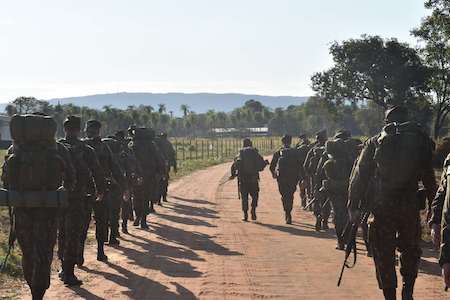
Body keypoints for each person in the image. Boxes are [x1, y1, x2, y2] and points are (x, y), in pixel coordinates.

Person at [348, 106, 437, 300]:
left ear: (386, 121)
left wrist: (353, 206)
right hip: (410, 205)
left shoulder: (375, 141)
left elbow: (360, 175)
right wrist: (433, 208)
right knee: (410, 249)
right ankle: (408, 291)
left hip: (382, 207)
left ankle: (390, 296)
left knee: (383, 253)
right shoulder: (419, 141)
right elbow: (429, 177)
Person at [2, 114, 75, 300]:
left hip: (22, 211)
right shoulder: (58, 149)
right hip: (48, 212)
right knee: (44, 253)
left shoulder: (15, 149)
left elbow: (5, 179)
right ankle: (38, 294)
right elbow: (71, 179)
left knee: (27, 253)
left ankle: (31, 285)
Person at [58, 116, 105, 285]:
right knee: (74, 234)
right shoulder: (86, 149)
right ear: (79, 130)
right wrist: (100, 190)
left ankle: (63, 266)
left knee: (61, 233)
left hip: (57, 198)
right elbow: (97, 172)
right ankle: (68, 273)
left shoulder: (56, 147)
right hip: (78, 199)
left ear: (64, 128)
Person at [83, 120, 126, 260]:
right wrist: (123, 185)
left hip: (83, 190)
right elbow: (115, 168)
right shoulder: (103, 147)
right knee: (101, 220)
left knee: (81, 223)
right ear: (98, 131)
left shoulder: (81, 146)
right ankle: (100, 251)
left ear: (86, 130)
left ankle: (79, 254)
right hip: (101, 189)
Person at [128, 127, 165, 228]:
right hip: (149, 176)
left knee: (136, 196)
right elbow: (160, 159)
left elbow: (128, 160)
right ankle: (143, 220)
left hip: (135, 176)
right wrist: (160, 172)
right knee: (146, 198)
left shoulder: (132, 145)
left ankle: (138, 216)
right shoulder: (152, 145)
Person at [321, 138, 353, 250]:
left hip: (336, 194)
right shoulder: (351, 161)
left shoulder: (329, 163)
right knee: (348, 216)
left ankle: (341, 242)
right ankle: (347, 240)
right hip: (349, 192)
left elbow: (327, 178)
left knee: (338, 217)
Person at [230, 138, 268, 221]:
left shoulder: (240, 153)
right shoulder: (255, 153)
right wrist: (265, 163)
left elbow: (234, 165)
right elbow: (261, 166)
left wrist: (233, 175)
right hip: (253, 179)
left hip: (243, 180)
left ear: (243, 144)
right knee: (255, 196)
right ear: (251, 144)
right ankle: (253, 209)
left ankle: (245, 214)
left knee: (244, 197)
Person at [270, 135, 302, 224]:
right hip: (293, 177)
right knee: (290, 195)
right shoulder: (295, 152)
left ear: (282, 142)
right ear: (290, 142)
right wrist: (301, 177)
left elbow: (272, 166)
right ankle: (289, 212)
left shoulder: (278, 152)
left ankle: (287, 213)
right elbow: (300, 165)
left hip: (282, 178)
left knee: (284, 196)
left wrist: (274, 173)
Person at [155, 132, 177, 204]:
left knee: (158, 182)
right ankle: (164, 197)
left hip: (157, 166)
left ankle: (158, 199)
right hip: (166, 165)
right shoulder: (168, 144)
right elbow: (173, 156)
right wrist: (174, 166)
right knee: (164, 181)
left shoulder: (156, 143)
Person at [296, 134, 311, 209]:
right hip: (308, 169)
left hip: (302, 169)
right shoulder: (310, 145)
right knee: (309, 187)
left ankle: (304, 203)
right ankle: (309, 203)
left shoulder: (299, 146)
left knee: (303, 187)